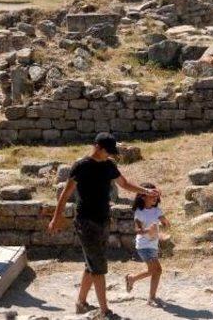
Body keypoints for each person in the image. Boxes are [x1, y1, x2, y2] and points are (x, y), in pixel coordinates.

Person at [48, 133, 160, 319]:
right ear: (98, 147)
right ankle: (105, 311)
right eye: (108, 151)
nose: (109, 155)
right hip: (86, 221)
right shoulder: (81, 166)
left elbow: (124, 184)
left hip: (103, 220)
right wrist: (55, 218)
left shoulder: (109, 166)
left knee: (92, 264)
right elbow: (65, 195)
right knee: (98, 266)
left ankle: (81, 303)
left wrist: (145, 190)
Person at [125, 183, 170, 307]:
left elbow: (166, 223)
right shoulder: (139, 212)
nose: (155, 198)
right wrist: (148, 231)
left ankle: (133, 280)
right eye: (152, 196)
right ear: (143, 197)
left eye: (156, 196)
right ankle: (150, 297)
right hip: (143, 245)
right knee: (156, 270)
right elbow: (137, 230)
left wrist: (165, 223)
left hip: (153, 245)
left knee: (156, 271)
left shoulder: (157, 211)